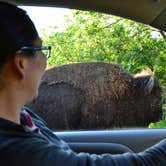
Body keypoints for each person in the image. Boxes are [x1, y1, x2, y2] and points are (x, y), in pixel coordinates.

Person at [0, 2, 165, 166]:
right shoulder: (20, 152)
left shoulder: (26, 117)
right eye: (41, 50)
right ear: (21, 63)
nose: (44, 60)